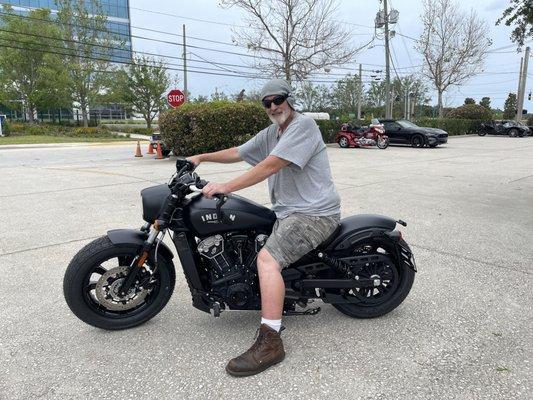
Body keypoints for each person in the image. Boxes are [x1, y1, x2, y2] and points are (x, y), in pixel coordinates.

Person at [187, 79, 341, 377]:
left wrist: (225, 186)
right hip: (289, 211)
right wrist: (201, 157)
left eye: (277, 99)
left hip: (313, 214)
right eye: (266, 103)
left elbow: (271, 165)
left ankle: (271, 341)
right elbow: (240, 152)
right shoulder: (273, 132)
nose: (273, 107)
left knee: (267, 260)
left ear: (289, 99)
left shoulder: (303, 126)